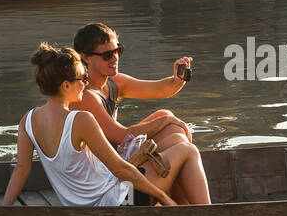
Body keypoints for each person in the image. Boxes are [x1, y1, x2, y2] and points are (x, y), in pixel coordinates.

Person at [2, 43, 191, 208]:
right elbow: (120, 170)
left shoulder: (27, 120)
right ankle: (205, 213)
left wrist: (4, 208)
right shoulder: (81, 120)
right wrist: (164, 197)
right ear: (66, 86)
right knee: (186, 150)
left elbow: (21, 169)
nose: (85, 84)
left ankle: (189, 211)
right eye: (82, 79)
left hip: (81, 207)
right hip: (117, 203)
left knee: (171, 138)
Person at [73, 23, 205, 204]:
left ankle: (186, 208)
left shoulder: (112, 82)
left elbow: (158, 89)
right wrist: (165, 121)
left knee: (167, 121)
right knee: (185, 147)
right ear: (85, 57)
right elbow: (121, 136)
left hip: (118, 168)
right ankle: (205, 213)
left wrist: (177, 79)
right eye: (107, 55)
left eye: (117, 51)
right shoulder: (85, 96)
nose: (114, 58)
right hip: (110, 186)